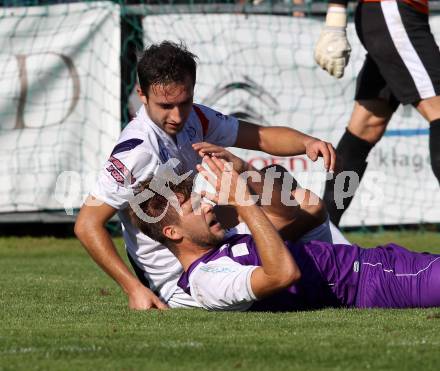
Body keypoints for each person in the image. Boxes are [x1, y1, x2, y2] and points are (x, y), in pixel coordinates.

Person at [74, 41, 337, 310]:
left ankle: (329, 270)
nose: (177, 116)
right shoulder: (137, 153)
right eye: (165, 105)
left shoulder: (195, 117)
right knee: (305, 204)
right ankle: (332, 280)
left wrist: (306, 142)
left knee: (276, 179)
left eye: (184, 102)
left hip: (199, 239)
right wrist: (134, 289)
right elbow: (86, 224)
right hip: (180, 276)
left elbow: (259, 136)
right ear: (142, 94)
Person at [130, 152, 440, 311]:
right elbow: (281, 274)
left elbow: (296, 209)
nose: (207, 206)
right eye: (194, 208)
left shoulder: (222, 246)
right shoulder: (207, 282)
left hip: (376, 262)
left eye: (201, 199)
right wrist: (244, 202)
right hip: (369, 283)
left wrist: (244, 175)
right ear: (172, 233)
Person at [314, 0, 440, 226]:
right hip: (393, 11)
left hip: (395, 15)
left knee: (365, 126)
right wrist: (335, 17)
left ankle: (322, 230)